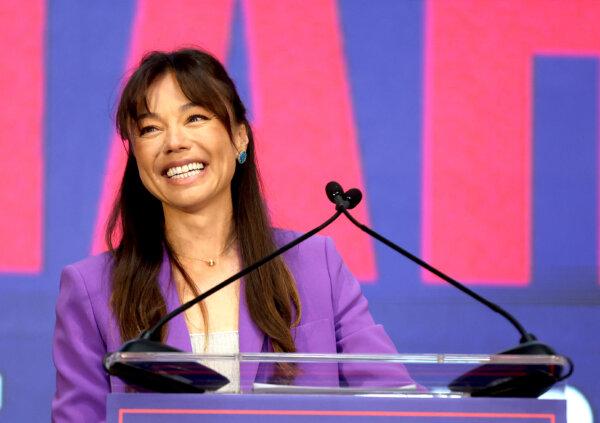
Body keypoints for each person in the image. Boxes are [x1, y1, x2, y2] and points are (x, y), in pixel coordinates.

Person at [51, 48, 414, 422]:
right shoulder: (92, 290)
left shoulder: (315, 265)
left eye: (195, 117)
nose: (174, 142)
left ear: (240, 137)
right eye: (150, 129)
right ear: (136, 157)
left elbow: (398, 405)